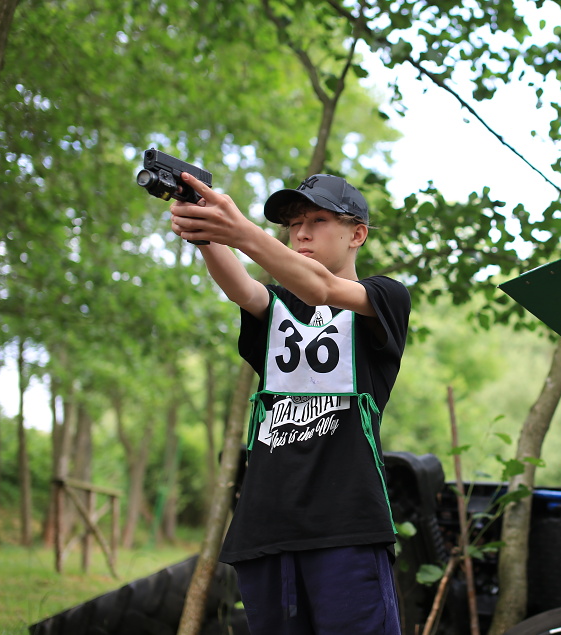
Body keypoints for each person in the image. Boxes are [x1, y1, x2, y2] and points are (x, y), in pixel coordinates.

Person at [170, 171, 410, 635]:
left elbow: (321, 288)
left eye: (317, 220)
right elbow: (243, 287)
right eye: (293, 223)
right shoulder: (278, 308)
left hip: (347, 528)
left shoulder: (383, 299)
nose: (300, 233)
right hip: (264, 530)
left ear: (357, 233)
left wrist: (241, 231)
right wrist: (203, 226)